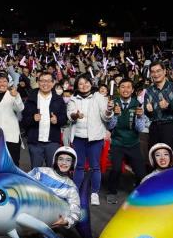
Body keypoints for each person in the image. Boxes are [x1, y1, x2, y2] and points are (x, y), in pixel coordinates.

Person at [67, 73, 113, 206]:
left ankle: (94, 193)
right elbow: (69, 115)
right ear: (77, 86)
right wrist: (75, 115)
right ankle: (75, 192)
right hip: (78, 138)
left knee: (95, 166)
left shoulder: (99, 97)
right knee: (79, 166)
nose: (84, 85)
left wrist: (109, 110)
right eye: (80, 83)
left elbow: (106, 117)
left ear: (91, 83)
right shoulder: (73, 99)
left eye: (86, 82)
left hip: (95, 138)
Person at [27, 146, 82, 238]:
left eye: (68, 160)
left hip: (50, 226)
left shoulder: (71, 187)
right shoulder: (40, 172)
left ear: (73, 163)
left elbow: (76, 212)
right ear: (55, 160)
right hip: (28, 220)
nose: (64, 163)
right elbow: (22, 185)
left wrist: (66, 221)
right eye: (61, 159)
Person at [105, 78, 148, 204]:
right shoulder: (113, 103)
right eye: (122, 87)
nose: (125, 89)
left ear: (132, 90)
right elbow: (110, 126)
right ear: (118, 89)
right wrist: (114, 114)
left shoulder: (137, 104)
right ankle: (112, 192)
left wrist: (139, 116)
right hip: (117, 143)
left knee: (141, 173)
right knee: (116, 169)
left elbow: (140, 128)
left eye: (128, 87)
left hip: (133, 143)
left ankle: (140, 192)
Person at [22, 71, 67, 168]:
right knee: (36, 170)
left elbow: (64, 119)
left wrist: (57, 120)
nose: (45, 83)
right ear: (38, 82)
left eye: (48, 81)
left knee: (52, 171)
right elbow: (23, 121)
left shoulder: (58, 100)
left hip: (52, 142)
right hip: (35, 142)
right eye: (42, 81)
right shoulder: (31, 99)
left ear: (53, 83)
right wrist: (32, 118)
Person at [144, 61, 173, 162]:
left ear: (164, 71)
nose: (156, 74)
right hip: (154, 127)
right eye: (153, 72)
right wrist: (148, 110)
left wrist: (168, 106)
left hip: (170, 126)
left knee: (169, 157)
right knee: (154, 157)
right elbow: (148, 114)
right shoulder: (148, 91)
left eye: (158, 71)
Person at [0, 73, 24, 165]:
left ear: (8, 83)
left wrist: (16, 96)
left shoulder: (13, 95)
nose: (2, 84)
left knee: (13, 164)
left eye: (5, 81)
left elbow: (20, 109)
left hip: (12, 137)